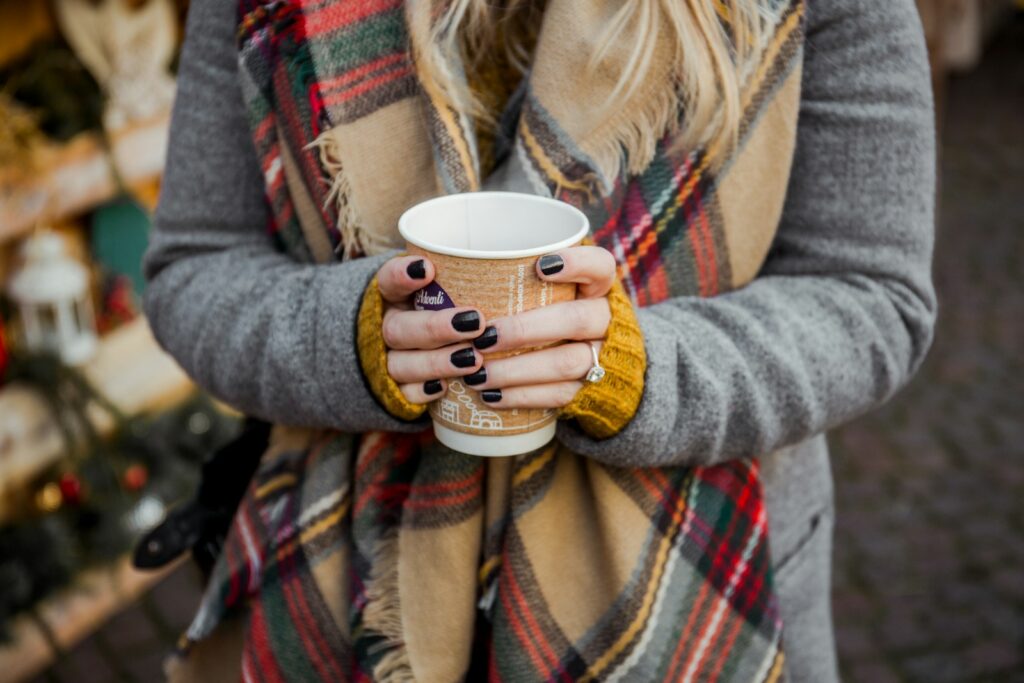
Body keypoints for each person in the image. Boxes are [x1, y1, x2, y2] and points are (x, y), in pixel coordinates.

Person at [144, 0, 936, 680]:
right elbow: (194, 267)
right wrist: (350, 340)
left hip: (697, 587)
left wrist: (639, 372)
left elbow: (871, 292)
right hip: (349, 594)